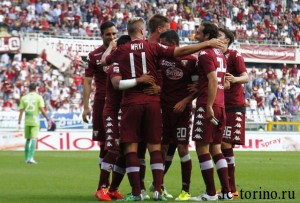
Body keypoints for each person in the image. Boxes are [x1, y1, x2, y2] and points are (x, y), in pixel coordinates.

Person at [101, 17, 225, 201]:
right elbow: (180, 51)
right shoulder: (153, 48)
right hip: (154, 104)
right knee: (156, 147)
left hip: (132, 103)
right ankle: (158, 189)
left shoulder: (121, 49)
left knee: (132, 148)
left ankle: (137, 193)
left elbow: (104, 62)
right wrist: (207, 43)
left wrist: (111, 47)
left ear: (128, 32)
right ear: (142, 31)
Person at [97, 35, 155, 201]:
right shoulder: (116, 64)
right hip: (112, 112)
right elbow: (117, 84)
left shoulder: (128, 64)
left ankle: (113, 189)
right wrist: (140, 79)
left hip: (125, 112)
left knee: (124, 152)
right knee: (114, 149)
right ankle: (102, 188)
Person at [190, 22, 232, 201]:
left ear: (207, 36)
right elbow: (225, 81)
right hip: (221, 105)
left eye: (199, 31)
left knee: (202, 148)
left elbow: (213, 80)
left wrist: (207, 105)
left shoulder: (205, 53)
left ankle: (210, 193)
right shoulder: (220, 54)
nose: (196, 33)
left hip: (209, 105)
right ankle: (226, 191)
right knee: (216, 148)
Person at [158, 30, 198, 201]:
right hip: (163, 110)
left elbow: (197, 87)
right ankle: (159, 187)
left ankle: (185, 191)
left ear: (173, 44)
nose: (161, 47)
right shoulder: (161, 59)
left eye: (164, 44)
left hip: (183, 112)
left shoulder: (191, 61)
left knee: (182, 148)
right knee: (162, 148)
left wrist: (186, 101)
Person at [81, 21, 118, 199]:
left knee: (117, 145)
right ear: (101, 35)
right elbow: (87, 82)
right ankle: (104, 186)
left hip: (119, 103)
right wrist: (86, 106)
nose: (111, 38)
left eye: (113, 34)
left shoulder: (121, 52)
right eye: (108, 34)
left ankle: (108, 187)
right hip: (101, 103)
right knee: (104, 144)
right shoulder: (93, 55)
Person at [217, 27, 249, 199]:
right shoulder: (214, 56)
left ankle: (231, 188)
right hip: (220, 105)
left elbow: (246, 77)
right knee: (221, 145)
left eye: (220, 36)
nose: (216, 38)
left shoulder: (234, 55)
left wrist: (234, 79)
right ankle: (227, 187)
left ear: (227, 40)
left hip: (234, 105)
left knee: (225, 144)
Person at [18, 83, 50, 164]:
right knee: (33, 138)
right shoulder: (38, 97)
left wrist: (19, 121)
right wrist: (48, 119)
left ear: (28, 89)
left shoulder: (24, 98)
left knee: (28, 139)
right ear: (36, 89)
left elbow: (21, 111)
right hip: (35, 120)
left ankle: (26, 158)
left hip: (27, 121)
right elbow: (42, 110)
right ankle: (31, 158)